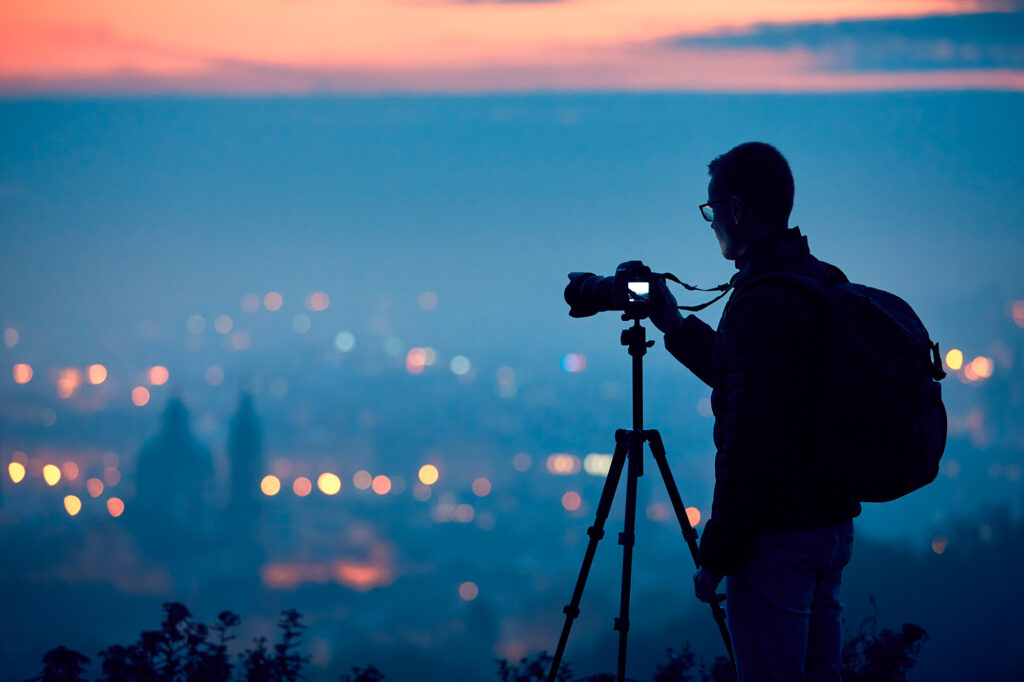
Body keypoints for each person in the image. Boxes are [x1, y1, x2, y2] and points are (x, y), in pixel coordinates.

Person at [648, 142, 860, 681]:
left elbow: (749, 439)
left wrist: (717, 553)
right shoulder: (820, 280)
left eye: (712, 209)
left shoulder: (762, 299)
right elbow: (752, 380)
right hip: (830, 525)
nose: (712, 222)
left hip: (778, 538)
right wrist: (674, 324)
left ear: (737, 209)